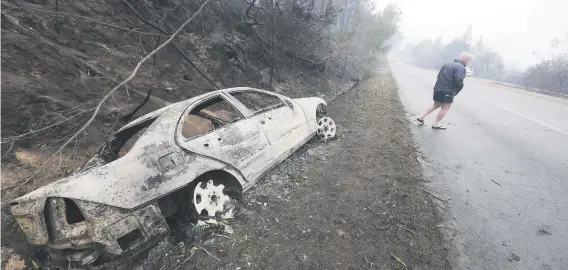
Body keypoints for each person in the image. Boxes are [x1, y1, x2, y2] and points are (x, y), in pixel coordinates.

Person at [416, 51, 473, 129]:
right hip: (448, 91)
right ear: (467, 59)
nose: (469, 62)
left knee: (436, 104)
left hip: (438, 88)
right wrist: (458, 89)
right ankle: (436, 123)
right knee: (445, 107)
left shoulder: (447, 64)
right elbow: (458, 80)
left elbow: (439, 75)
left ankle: (421, 117)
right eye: (470, 60)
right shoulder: (461, 68)